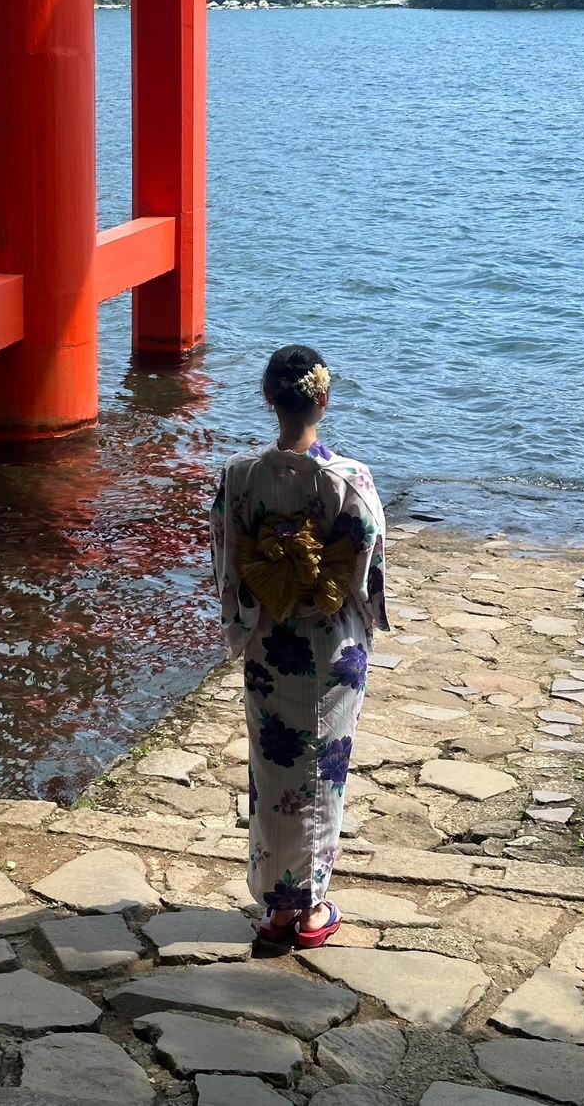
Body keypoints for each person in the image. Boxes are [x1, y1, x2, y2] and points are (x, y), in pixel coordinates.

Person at [209, 345, 388, 949]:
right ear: (324, 400)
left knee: (275, 769)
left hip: (269, 642)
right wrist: (361, 614)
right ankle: (308, 909)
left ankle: (277, 906)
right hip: (331, 643)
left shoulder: (239, 476)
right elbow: (367, 568)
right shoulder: (350, 478)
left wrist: (242, 616)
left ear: (269, 399)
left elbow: (227, 560)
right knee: (322, 774)